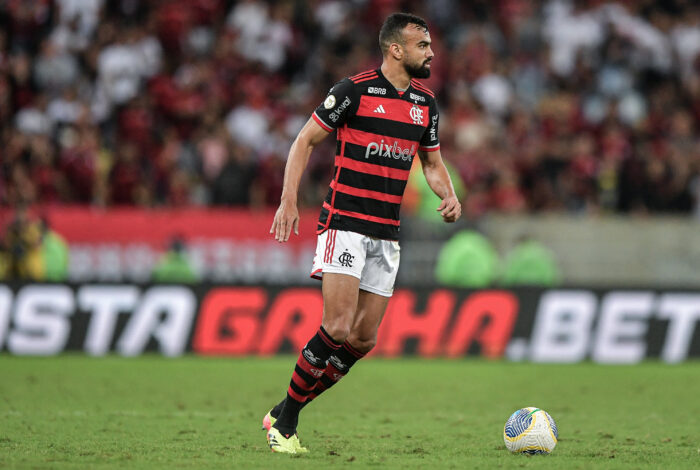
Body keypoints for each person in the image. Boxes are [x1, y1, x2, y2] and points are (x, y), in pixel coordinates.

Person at [264, 13, 461, 454]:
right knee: (334, 326)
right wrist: (288, 199)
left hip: (386, 233)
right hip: (345, 223)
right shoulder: (353, 91)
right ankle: (287, 425)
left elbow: (431, 163)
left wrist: (448, 195)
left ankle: (283, 408)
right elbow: (304, 141)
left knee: (362, 339)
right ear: (396, 49)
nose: (431, 52)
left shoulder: (425, 104)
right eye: (422, 45)